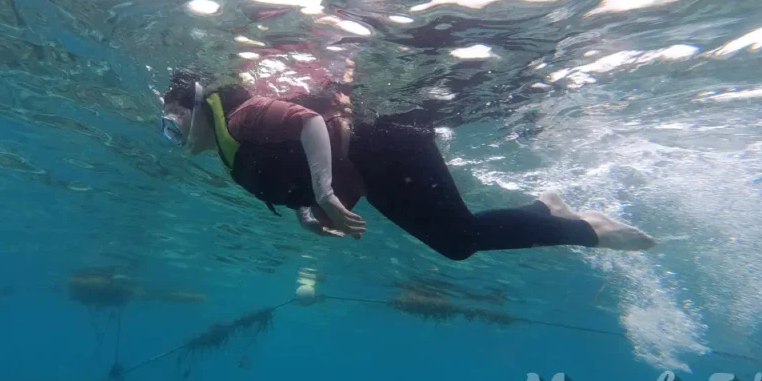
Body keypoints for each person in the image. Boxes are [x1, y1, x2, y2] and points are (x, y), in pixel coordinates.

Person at [159, 68, 656, 261]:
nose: (172, 135)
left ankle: (588, 228)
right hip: (374, 165)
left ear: (196, 106)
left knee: (459, 239)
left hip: (385, 144)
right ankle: (546, 208)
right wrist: (311, 211)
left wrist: (326, 192)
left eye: (172, 123)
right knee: (455, 244)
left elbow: (311, 123)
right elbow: (298, 167)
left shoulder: (242, 115)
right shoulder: (229, 154)